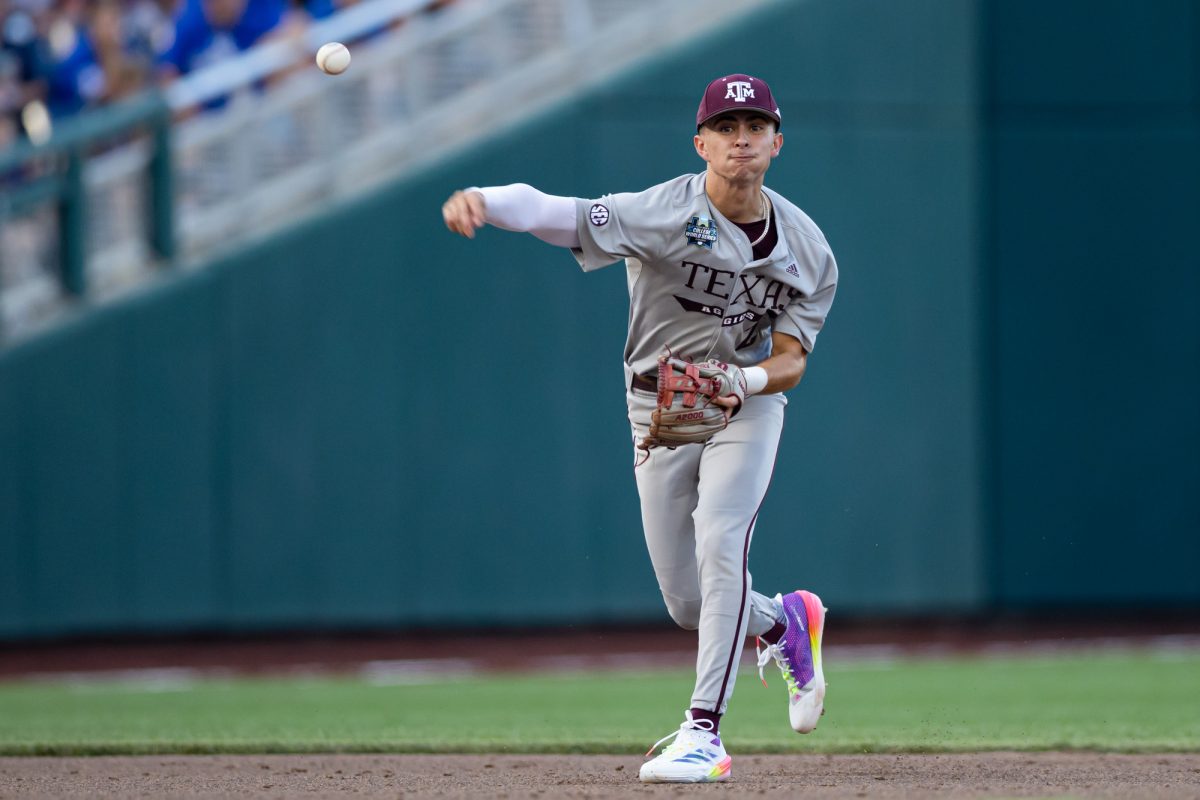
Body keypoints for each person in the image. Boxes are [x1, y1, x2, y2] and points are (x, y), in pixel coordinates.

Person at [441, 73, 837, 784]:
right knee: (688, 603)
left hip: (743, 401)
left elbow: (791, 362)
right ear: (701, 143)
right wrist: (486, 202)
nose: (740, 137)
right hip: (662, 405)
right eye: (725, 126)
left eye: (754, 124)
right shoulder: (664, 212)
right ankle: (783, 622)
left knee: (722, 542)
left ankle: (704, 733)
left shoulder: (809, 249)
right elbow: (556, 212)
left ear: (778, 140)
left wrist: (742, 383)